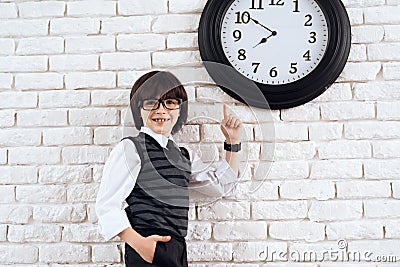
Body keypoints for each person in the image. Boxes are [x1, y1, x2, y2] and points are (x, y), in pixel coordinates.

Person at [95, 70, 242, 267]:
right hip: (147, 244)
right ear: (139, 109)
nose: (161, 110)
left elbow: (220, 185)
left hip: (178, 249)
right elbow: (106, 205)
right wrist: (141, 245)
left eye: (170, 103)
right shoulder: (131, 148)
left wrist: (232, 143)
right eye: (151, 103)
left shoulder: (183, 155)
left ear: (180, 109)